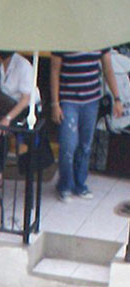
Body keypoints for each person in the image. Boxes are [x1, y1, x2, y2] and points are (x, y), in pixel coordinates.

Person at [51, 50, 125, 202]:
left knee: (85, 145)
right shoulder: (63, 41)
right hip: (68, 100)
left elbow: (108, 68)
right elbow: (54, 71)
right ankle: (64, 185)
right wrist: (55, 104)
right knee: (68, 145)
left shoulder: (98, 41)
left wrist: (117, 98)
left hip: (91, 101)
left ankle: (80, 184)